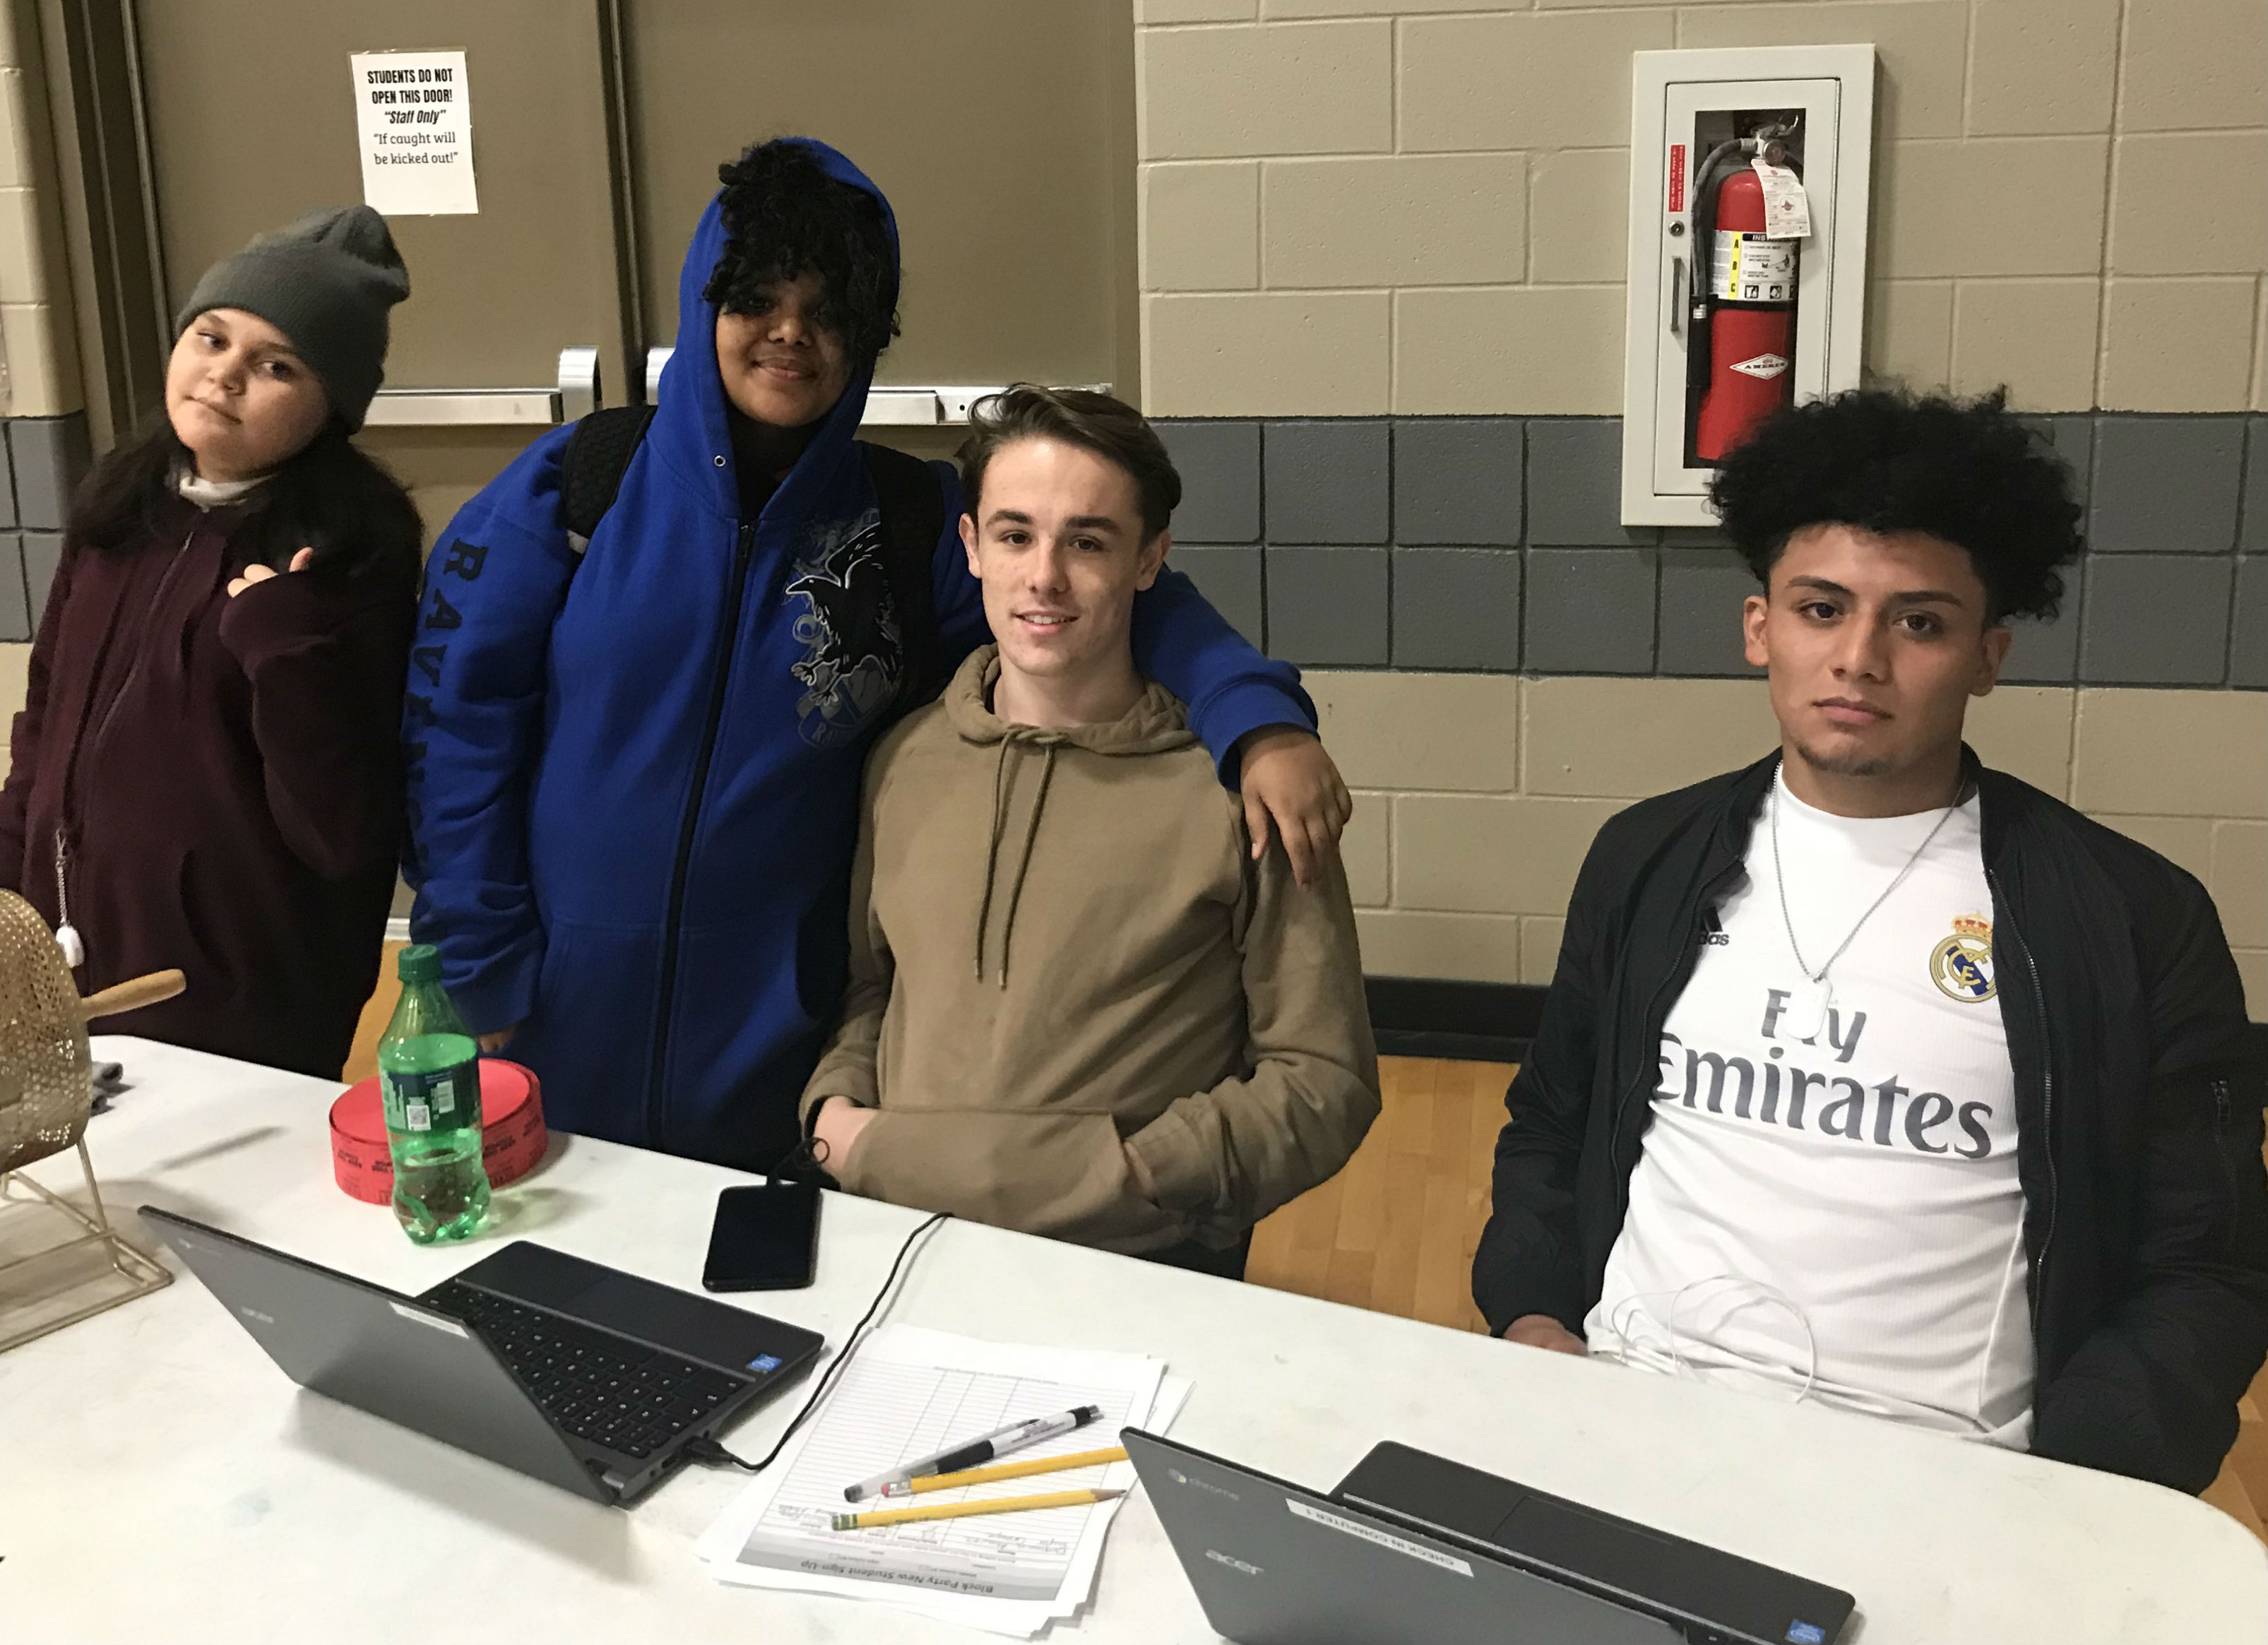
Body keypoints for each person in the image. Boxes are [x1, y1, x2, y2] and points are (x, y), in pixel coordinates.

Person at [406, 139, 1350, 1175]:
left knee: (755, 1307)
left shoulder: (907, 524)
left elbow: (1110, 592)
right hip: (547, 1011)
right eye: (757, 298)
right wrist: (481, 959)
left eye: (828, 310)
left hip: (778, 1038)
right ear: (702, 302)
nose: (790, 334)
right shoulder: (577, 487)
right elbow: (456, 728)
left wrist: (1256, 722)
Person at [1472, 387, 2268, 1493]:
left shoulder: (2130, 917)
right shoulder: (1645, 858)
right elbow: (1552, 1126)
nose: (1858, 657)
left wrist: (2072, 1485)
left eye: (1919, 621)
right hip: (1626, 1419)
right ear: (1759, 628)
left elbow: (2205, 1264)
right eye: (1818, 608)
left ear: (1986, 656)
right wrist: (1527, 1315)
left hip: (1940, 1477)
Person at [797, 386, 1378, 1275]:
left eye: (1088, 541)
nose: (1045, 577)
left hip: (1136, 1266)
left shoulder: (1243, 790)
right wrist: (835, 1117)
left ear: (1150, 560)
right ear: (972, 548)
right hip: (904, 1246)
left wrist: (1145, 1173)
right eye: (1015, 535)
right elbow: (876, 990)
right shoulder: (905, 759)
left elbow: (1323, 1078)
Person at [0, 207, 420, 1079]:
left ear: (329, 407)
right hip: (72, 951)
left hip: (235, 992)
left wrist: (283, 647)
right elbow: (45, 721)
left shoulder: (348, 554)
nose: (223, 376)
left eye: (275, 366)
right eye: (210, 338)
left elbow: (345, 833)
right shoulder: (123, 507)